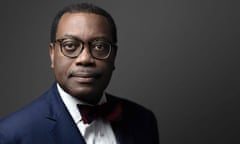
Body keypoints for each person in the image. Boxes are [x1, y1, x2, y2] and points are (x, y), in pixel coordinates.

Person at [0, 3, 159, 144]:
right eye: (70, 45)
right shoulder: (12, 134)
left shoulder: (143, 120)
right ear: (52, 54)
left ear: (113, 56)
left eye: (99, 47)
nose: (85, 59)